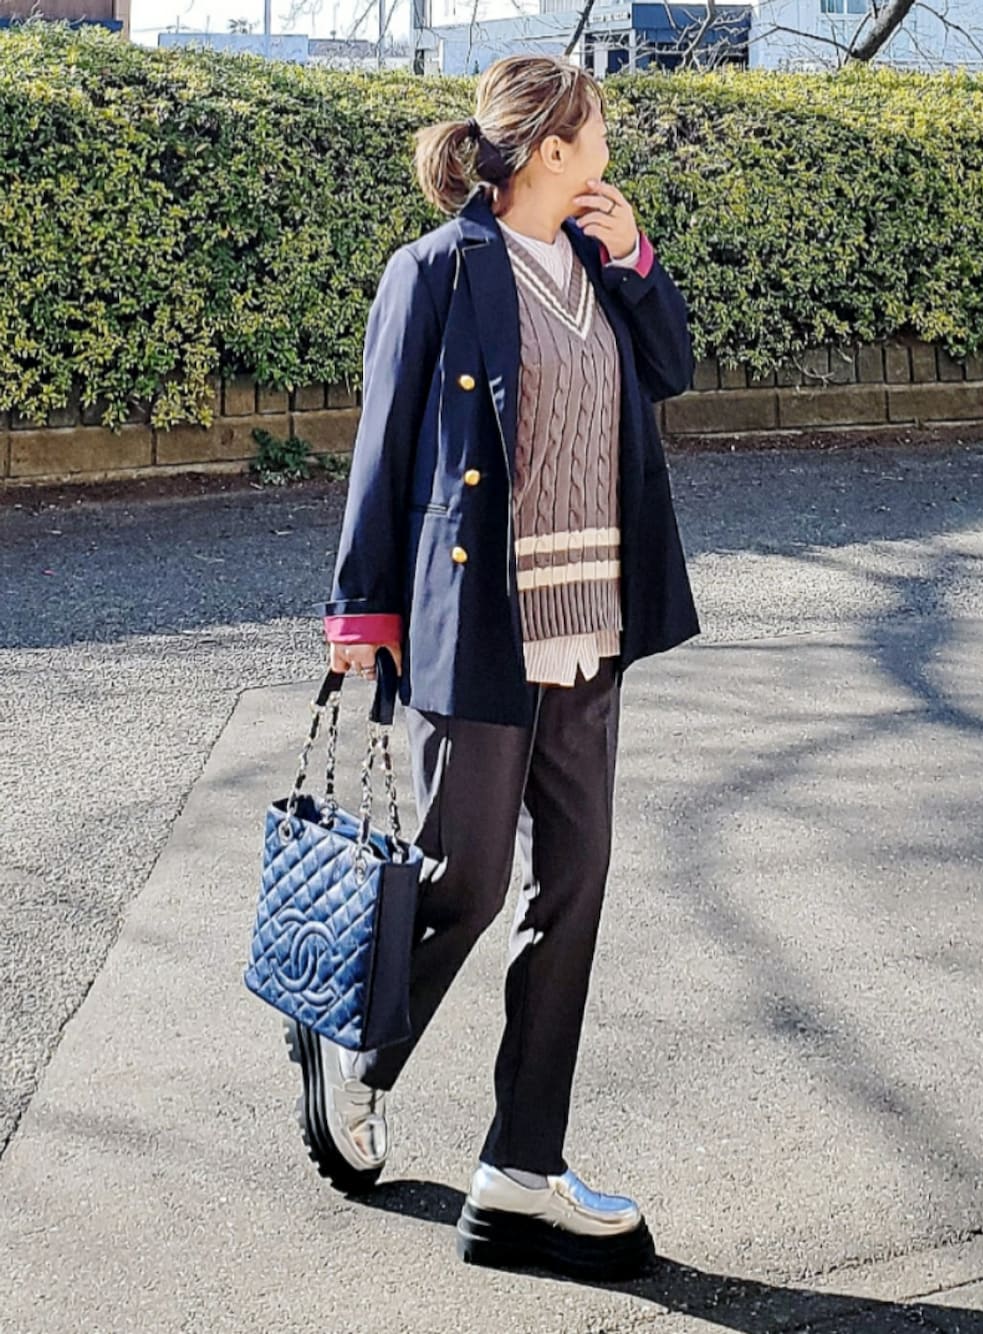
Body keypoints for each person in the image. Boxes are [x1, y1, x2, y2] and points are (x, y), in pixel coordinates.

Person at [286, 53, 700, 1280]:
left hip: (592, 621)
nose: (609, 140)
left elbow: (670, 370)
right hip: (477, 627)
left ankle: (521, 1166)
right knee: (461, 882)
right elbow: (384, 444)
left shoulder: (599, 260)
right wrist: (361, 607)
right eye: (596, 124)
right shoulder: (436, 271)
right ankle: (354, 1054)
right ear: (552, 146)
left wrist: (638, 261)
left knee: (572, 882)